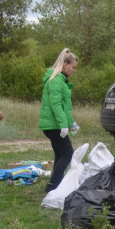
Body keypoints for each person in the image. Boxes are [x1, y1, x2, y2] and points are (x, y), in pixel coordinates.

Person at [39, 48, 80, 193]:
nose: (74, 70)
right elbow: (55, 105)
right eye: (73, 67)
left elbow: (65, 108)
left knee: (60, 154)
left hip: (55, 124)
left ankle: (56, 184)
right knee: (68, 153)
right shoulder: (56, 80)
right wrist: (63, 125)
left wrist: (72, 125)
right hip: (53, 125)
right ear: (65, 65)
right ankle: (53, 185)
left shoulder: (61, 80)